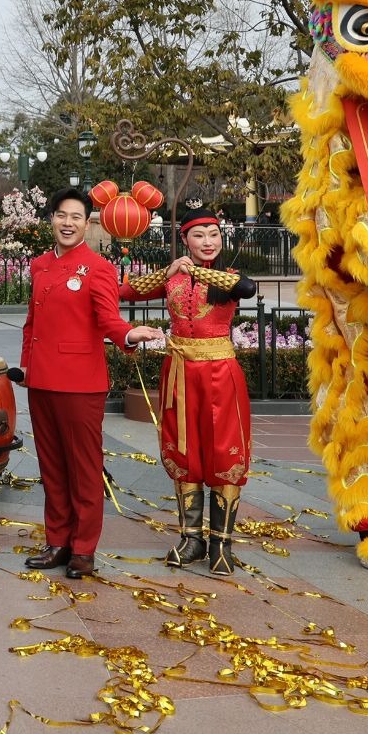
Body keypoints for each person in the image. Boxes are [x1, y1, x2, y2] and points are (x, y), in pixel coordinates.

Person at [20, 187, 163, 579]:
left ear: (87, 224)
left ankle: (83, 548)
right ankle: (58, 541)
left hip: (80, 383)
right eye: (61, 215)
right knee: (51, 466)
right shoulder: (39, 265)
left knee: (84, 468)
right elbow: (32, 324)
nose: (67, 223)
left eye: (76, 217)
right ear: (51, 219)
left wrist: (129, 334)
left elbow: (108, 319)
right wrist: (27, 367)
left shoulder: (97, 267)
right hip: (42, 381)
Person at [117, 208, 257, 573]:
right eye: (199, 235)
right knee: (184, 451)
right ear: (184, 239)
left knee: (224, 452)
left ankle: (221, 544)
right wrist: (168, 272)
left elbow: (247, 288)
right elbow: (126, 291)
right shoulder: (172, 277)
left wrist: (194, 270)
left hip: (221, 374)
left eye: (214, 234)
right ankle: (191, 539)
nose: (208, 242)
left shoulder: (228, 277)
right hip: (179, 374)